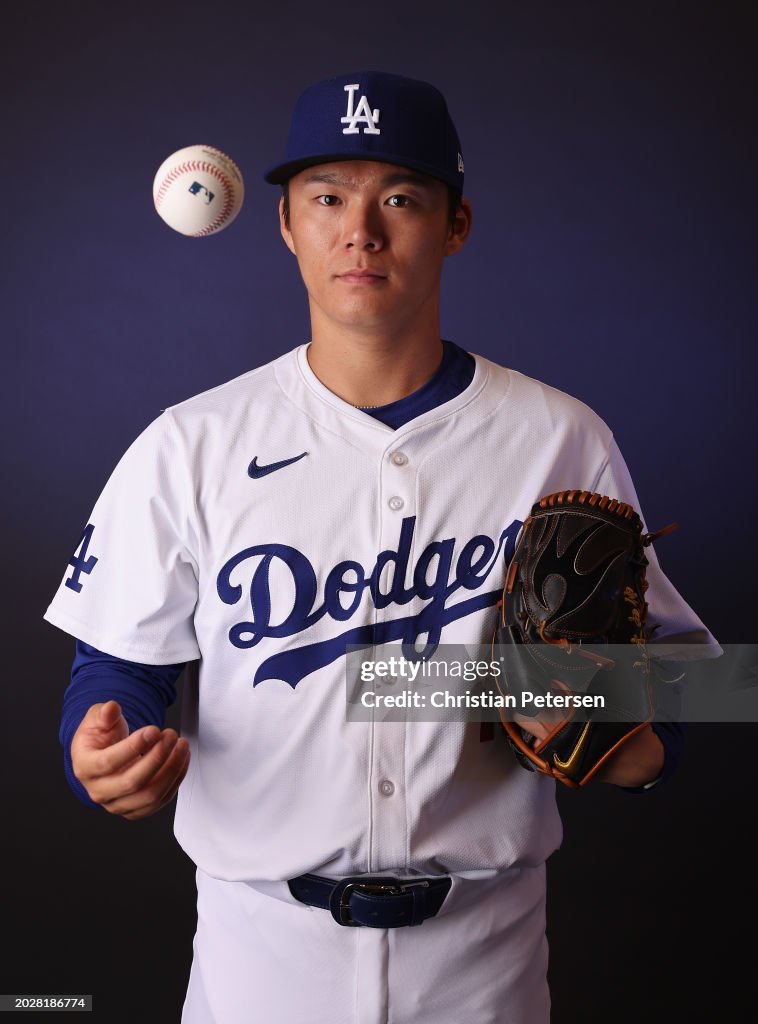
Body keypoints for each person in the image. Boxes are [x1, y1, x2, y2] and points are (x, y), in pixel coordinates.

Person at [45, 71, 716, 1023]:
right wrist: (98, 745)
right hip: (258, 965)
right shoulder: (189, 445)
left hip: (484, 962)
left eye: (399, 197)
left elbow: (702, 684)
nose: (360, 230)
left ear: (457, 225)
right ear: (286, 224)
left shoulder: (563, 438)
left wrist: (628, 741)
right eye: (327, 198)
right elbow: (116, 671)